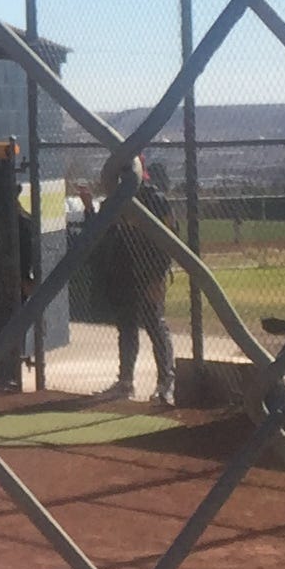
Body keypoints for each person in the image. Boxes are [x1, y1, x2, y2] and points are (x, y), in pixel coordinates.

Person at [92, 155, 180, 405]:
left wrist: (159, 276)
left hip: (150, 271)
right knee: (127, 326)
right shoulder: (117, 199)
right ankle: (125, 382)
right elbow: (103, 231)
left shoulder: (156, 200)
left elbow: (171, 241)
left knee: (155, 324)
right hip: (124, 271)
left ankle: (166, 384)